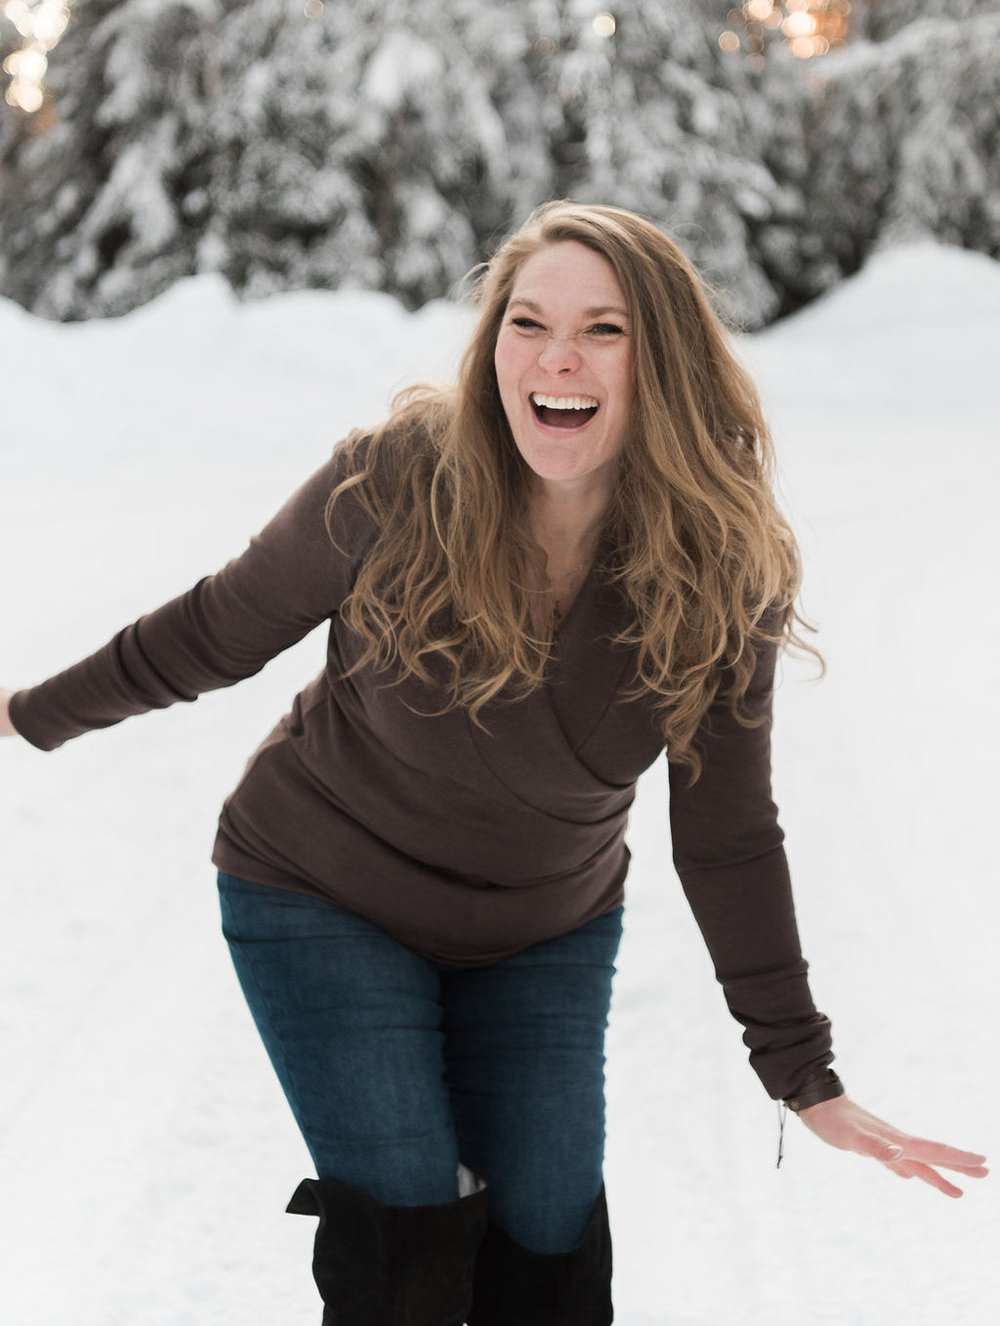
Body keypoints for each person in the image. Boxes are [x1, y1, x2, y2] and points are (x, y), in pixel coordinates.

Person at [0, 201, 987, 1326]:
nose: (558, 357)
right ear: (495, 346)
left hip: (541, 932)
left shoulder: (718, 565)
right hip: (321, 893)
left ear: (663, 361)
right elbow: (213, 631)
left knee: (550, 1245)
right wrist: (22, 715)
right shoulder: (395, 483)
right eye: (529, 323)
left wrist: (803, 1075)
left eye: (604, 330)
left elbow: (727, 834)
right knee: (405, 1233)